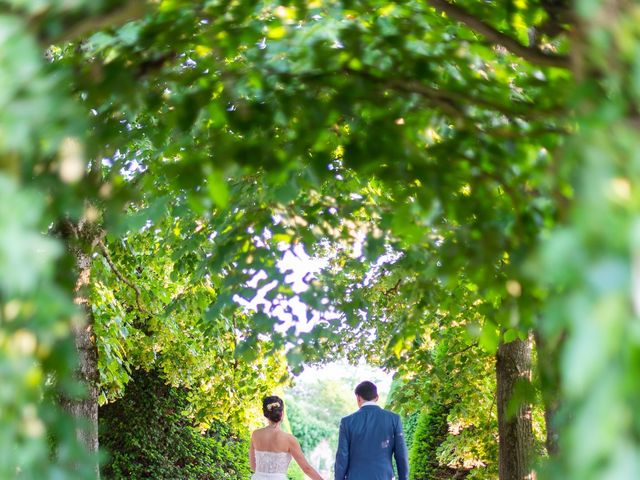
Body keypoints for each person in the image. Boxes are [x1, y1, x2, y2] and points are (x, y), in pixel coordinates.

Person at [335, 381, 409, 480]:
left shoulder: (347, 422)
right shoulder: (394, 419)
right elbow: (401, 455)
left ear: (358, 398)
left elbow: (342, 456)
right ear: (377, 397)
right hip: (384, 477)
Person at [250, 395, 325, 480]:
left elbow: (253, 466)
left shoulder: (255, 434)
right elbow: (306, 469)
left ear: (265, 414)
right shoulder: (289, 439)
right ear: (282, 413)